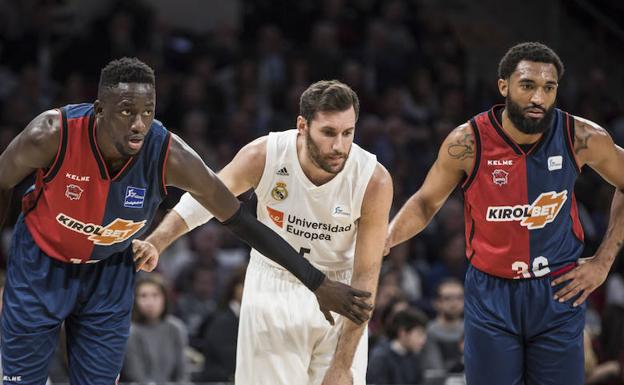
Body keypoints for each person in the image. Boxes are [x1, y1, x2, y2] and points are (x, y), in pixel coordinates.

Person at [0, 58, 372, 385]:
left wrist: (318, 282)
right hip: (40, 262)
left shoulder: (170, 154)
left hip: (108, 269)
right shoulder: (52, 134)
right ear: (100, 108)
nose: (139, 124)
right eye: (127, 111)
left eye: (148, 111)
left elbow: (238, 219)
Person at [385, 42, 624, 385]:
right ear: (504, 86)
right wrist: (388, 237)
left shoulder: (582, 137)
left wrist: (603, 262)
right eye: (527, 86)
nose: (538, 98)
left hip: (557, 289)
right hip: (491, 292)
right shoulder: (467, 142)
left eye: (548, 88)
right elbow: (425, 203)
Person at [133, 79, 393, 385]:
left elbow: (366, 279)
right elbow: (206, 197)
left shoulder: (373, 180)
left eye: (348, 133)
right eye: (328, 132)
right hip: (275, 282)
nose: (339, 146)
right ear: (302, 125)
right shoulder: (265, 154)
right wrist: (157, 241)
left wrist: (342, 365)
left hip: (341, 289)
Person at [121, 274, 188, 382]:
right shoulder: (130, 331)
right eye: (143, 296)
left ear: (165, 298)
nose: (150, 302)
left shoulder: (176, 328)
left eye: (155, 295)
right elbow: (136, 375)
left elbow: (182, 374)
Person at [366, 307, 429, 385]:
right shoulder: (381, 358)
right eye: (419, 334)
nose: (423, 340)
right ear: (403, 333)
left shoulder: (414, 357)